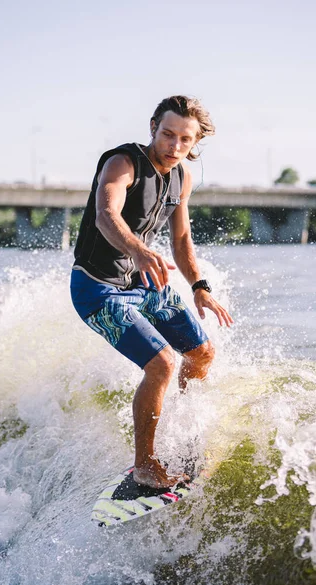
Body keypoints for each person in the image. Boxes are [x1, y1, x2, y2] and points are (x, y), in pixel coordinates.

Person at [71, 95, 233, 489]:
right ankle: (144, 464)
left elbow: (181, 240)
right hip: (98, 289)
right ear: (153, 128)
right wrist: (139, 250)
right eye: (168, 134)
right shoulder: (122, 163)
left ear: (195, 142)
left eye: (185, 139)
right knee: (161, 363)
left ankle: (184, 432)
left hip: (143, 282)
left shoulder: (183, 178)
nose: (175, 146)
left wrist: (199, 286)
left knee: (202, 352)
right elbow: (105, 214)